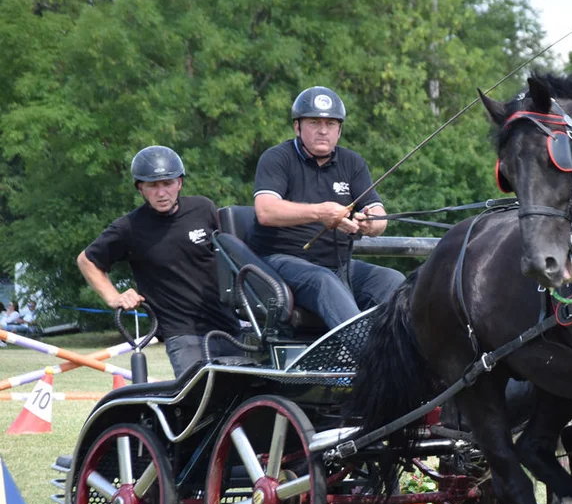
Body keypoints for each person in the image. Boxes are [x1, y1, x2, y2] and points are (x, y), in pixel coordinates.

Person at [77, 145, 241, 377]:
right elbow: (87, 261)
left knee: (244, 400)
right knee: (199, 400)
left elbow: (233, 253)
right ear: (141, 188)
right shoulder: (129, 228)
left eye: (167, 183)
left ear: (179, 183)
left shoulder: (203, 208)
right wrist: (114, 297)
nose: (161, 192)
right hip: (182, 335)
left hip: (228, 326)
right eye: (152, 185)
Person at [250, 86, 404, 329]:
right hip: (280, 262)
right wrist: (321, 213)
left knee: (392, 280)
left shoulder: (352, 163)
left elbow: (379, 216)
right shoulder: (277, 158)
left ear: (339, 129)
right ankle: (364, 355)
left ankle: (397, 353)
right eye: (314, 122)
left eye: (331, 124)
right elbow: (266, 211)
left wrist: (370, 222)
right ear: (297, 126)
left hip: (338, 265)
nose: (323, 130)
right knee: (323, 280)